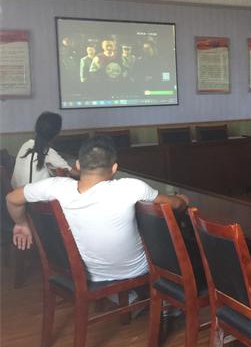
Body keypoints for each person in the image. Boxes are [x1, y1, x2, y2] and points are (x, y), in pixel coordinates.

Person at [6, 136, 189, 282]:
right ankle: (169, 299)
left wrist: (21, 224)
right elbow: (176, 205)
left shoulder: (56, 186)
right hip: (135, 269)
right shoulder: (131, 187)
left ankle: (122, 296)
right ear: (114, 168)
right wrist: (182, 199)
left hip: (85, 271)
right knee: (167, 233)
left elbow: (12, 199)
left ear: (78, 165)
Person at [11, 112, 74, 189]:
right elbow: (72, 172)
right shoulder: (48, 151)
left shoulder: (25, 145)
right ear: (56, 133)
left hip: (16, 192)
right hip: (34, 194)